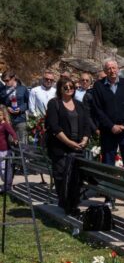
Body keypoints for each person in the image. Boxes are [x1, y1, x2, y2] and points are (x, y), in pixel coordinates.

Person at [45, 78, 92, 215]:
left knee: (75, 177)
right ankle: (66, 203)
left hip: (78, 146)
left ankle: (73, 203)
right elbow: (54, 126)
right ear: (60, 89)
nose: (69, 89)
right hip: (60, 147)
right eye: (65, 87)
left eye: (71, 86)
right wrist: (68, 142)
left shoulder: (79, 104)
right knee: (61, 177)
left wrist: (85, 138)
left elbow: (86, 124)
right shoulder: (54, 104)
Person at [91, 59, 124, 169]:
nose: (112, 71)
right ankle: (109, 185)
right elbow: (97, 109)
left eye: (114, 68)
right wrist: (111, 126)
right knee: (108, 162)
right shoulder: (98, 86)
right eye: (109, 69)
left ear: (118, 69)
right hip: (108, 131)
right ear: (105, 71)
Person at [1, 71, 29, 144]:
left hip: (21, 119)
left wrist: (20, 109)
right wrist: (7, 108)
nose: (5, 83)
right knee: (10, 142)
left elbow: (28, 103)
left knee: (22, 144)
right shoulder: (2, 90)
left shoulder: (23, 89)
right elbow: (1, 104)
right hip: (8, 121)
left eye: (7, 80)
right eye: (4, 81)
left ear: (13, 78)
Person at [0, 107, 18, 193]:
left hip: (5, 150)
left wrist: (15, 139)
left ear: (3, 115)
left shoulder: (5, 124)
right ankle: (7, 184)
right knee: (1, 169)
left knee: (4, 169)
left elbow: (13, 133)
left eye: (0, 115)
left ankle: (7, 185)